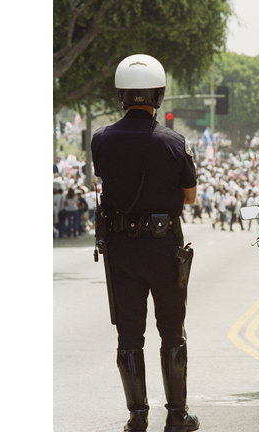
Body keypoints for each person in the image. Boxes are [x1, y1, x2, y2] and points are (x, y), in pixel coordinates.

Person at [91, 54, 199, 432]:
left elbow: (108, 181)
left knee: (129, 335)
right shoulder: (174, 142)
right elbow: (189, 197)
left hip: (122, 250)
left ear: (122, 95)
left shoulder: (101, 139)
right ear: (159, 94)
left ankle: (137, 418)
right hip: (163, 247)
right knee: (172, 331)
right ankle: (177, 416)